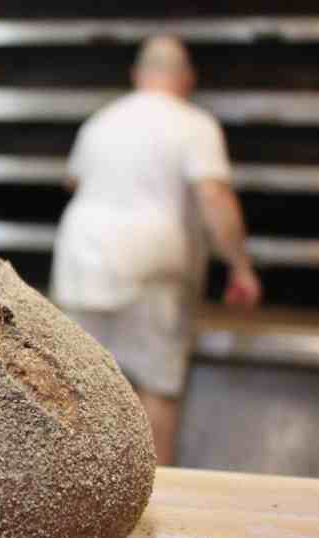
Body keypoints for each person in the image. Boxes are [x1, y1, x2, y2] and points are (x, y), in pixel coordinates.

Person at [52, 36, 262, 466]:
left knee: (76, 395)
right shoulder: (195, 124)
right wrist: (240, 267)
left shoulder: (99, 122)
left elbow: (72, 183)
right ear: (187, 79)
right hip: (151, 270)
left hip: (81, 262)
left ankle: (77, 507)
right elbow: (215, 198)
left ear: (137, 76)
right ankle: (156, 501)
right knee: (156, 391)